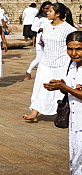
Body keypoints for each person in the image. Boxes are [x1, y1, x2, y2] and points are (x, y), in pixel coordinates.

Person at [23, 1, 77, 121]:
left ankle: (63, 112)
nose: (47, 12)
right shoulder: (46, 26)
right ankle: (34, 113)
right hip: (46, 62)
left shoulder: (69, 29)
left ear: (57, 14)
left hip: (61, 64)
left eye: (50, 11)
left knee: (60, 89)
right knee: (41, 87)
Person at [43, 30, 82, 174]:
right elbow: (74, 88)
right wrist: (61, 86)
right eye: (70, 49)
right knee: (75, 157)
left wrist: (64, 87)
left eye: (78, 49)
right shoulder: (72, 65)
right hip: (75, 119)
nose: (74, 53)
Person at [27, 1, 53, 79]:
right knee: (39, 58)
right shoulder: (38, 18)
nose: (47, 10)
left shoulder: (52, 17)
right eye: (46, 8)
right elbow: (33, 28)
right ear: (42, 8)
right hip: (41, 40)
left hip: (50, 39)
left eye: (49, 9)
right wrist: (40, 29)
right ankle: (29, 71)